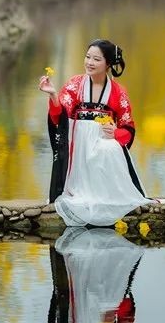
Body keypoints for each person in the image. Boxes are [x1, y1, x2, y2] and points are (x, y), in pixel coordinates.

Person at [39, 38, 153, 226]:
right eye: (87, 57)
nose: (89, 63)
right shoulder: (75, 84)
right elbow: (60, 118)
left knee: (110, 149)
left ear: (108, 64)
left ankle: (109, 195)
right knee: (80, 196)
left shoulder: (118, 92)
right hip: (79, 145)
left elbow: (128, 127)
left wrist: (115, 132)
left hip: (103, 140)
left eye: (96, 59)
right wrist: (53, 94)